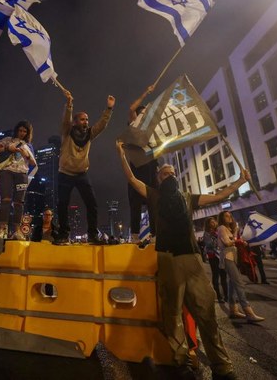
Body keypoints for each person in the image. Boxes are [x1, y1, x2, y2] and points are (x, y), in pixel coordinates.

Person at [117, 140, 246, 380]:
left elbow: (218, 196)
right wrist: (122, 155)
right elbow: (132, 180)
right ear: (158, 179)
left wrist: (240, 181)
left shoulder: (188, 198)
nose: (170, 176)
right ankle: (182, 363)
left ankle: (222, 367)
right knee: (172, 315)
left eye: (173, 174)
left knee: (206, 313)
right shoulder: (153, 195)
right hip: (167, 259)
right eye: (165, 174)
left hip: (192, 260)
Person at [54, 90, 114, 245]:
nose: (86, 122)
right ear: (75, 122)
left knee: (92, 203)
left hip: (81, 174)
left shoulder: (89, 134)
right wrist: (69, 104)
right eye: (82, 119)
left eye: (87, 119)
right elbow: (65, 120)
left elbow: (101, 125)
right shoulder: (67, 132)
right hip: (65, 173)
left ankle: (93, 235)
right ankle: (63, 235)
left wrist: (109, 109)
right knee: (62, 204)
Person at [0, 120, 37, 240]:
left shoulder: (29, 145)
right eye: (20, 130)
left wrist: (26, 153)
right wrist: (8, 147)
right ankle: (1, 228)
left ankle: (17, 230)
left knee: (19, 202)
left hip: (22, 173)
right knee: (5, 199)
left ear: (27, 133)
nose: (22, 133)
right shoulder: (8, 140)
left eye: (24, 131)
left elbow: (33, 163)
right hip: (7, 171)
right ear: (16, 130)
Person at [217, 211, 265, 323]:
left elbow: (233, 241)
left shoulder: (230, 229)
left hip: (234, 258)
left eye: (230, 216)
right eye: (226, 216)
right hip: (227, 258)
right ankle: (248, 312)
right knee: (239, 283)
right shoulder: (221, 228)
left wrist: (237, 236)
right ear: (222, 218)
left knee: (232, 284)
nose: (230, 218)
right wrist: (237, 239)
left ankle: (233, 310)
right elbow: (227, 243)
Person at [127, 84, 158, 239]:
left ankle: (155, 235)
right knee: (135, 205)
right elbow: (132, 109)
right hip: (137, 169)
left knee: (154, 203)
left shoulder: (152, 129)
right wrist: (146, 92)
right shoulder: (135, 126)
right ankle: (134, 236)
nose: (146, 115)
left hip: (151, 168)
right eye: (143, 112)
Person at [203, 217, 228, 303]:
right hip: (213, 256)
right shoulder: (206, 233)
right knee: (216, 275)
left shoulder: (219, 231)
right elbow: (209, 244)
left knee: (224, 275)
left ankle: (226, 295)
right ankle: (219, 296)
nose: (214, 223)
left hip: (221, 255)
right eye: (211, 222)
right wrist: (213, 236)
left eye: (214, 221)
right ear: (208, 224)